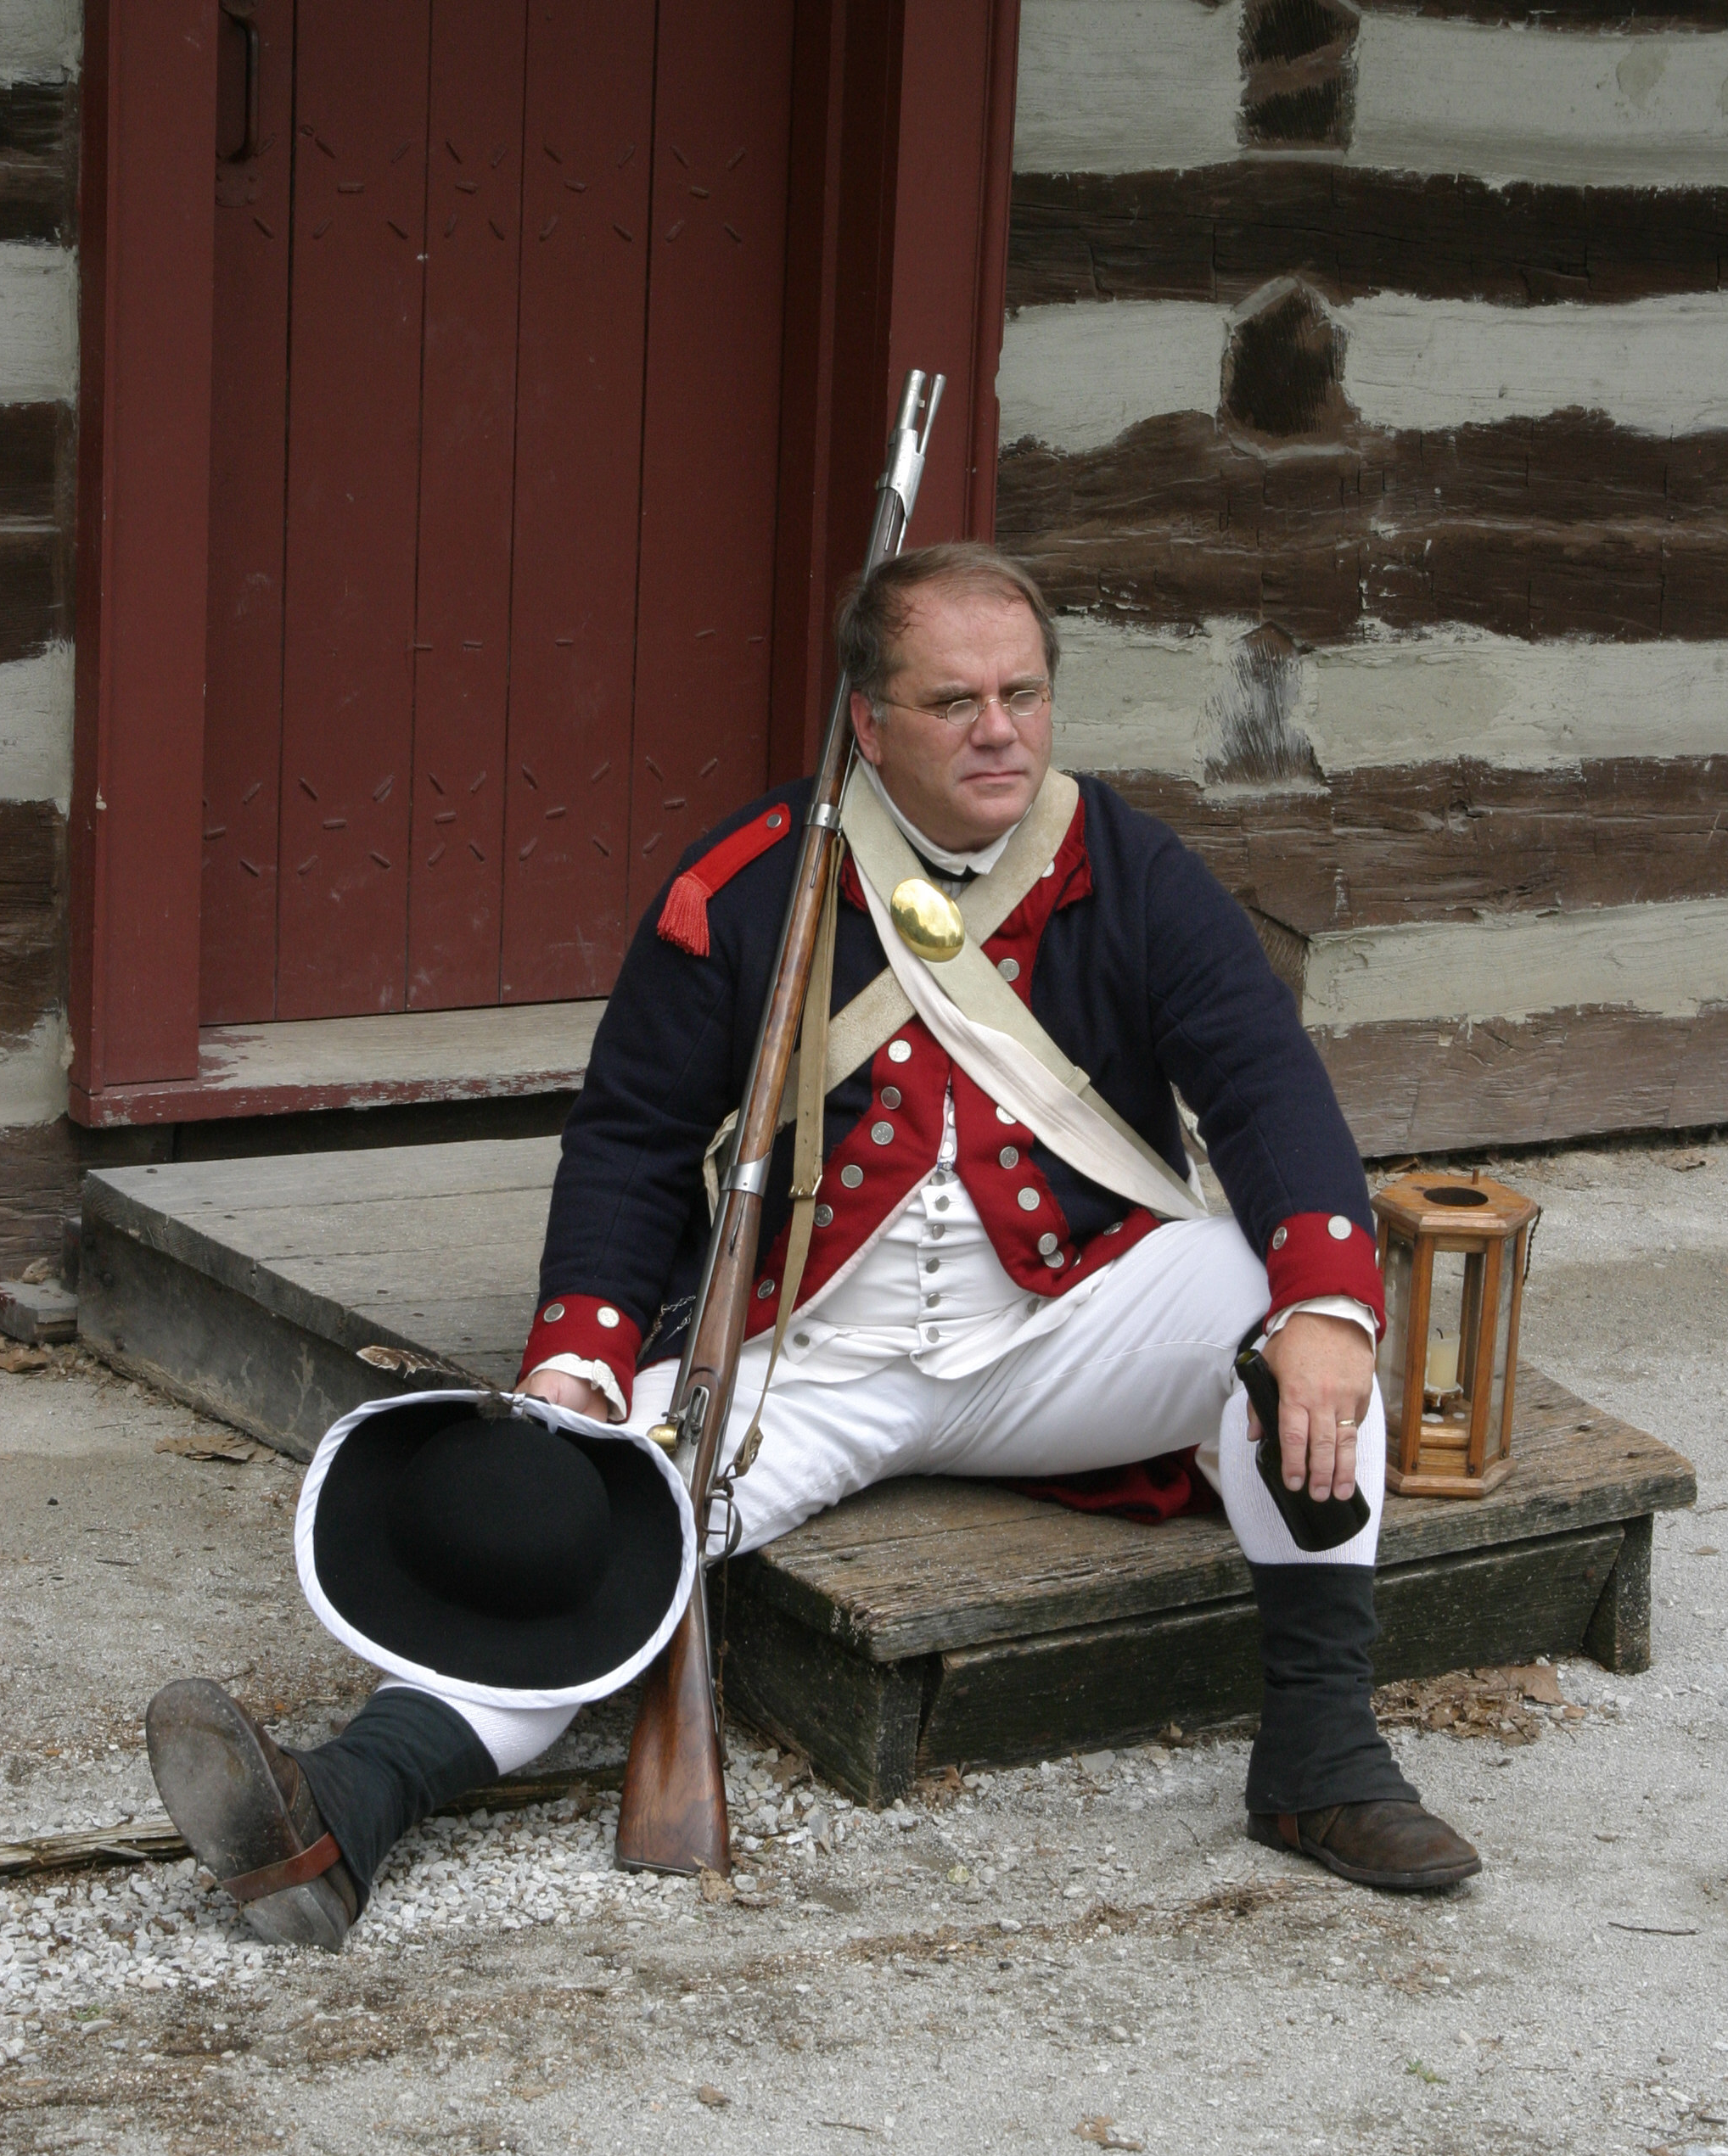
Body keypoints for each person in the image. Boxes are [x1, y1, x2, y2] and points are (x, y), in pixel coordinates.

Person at [514, 543, 1478, 1893]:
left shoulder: (1131, 871)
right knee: (573, 1513)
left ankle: (1319, 1759)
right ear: (868, 722)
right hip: (810, 1352)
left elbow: (1264, 1084)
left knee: (1300, 1326)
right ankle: (363, 1788)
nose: (998, 731)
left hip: (1060, 1334)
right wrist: (583, 1352)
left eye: (1022, 694)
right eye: (955, 701)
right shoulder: (745, 884)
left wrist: (1324, 1303)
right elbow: (629, 1136)